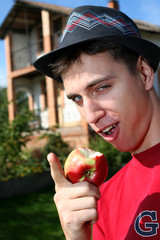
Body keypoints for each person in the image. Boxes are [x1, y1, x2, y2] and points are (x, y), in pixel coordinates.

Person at [34, 5, 160, 240]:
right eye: (78, 99)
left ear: (144, 73)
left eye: (101, 88)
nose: (91, 116)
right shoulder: (102, 201)